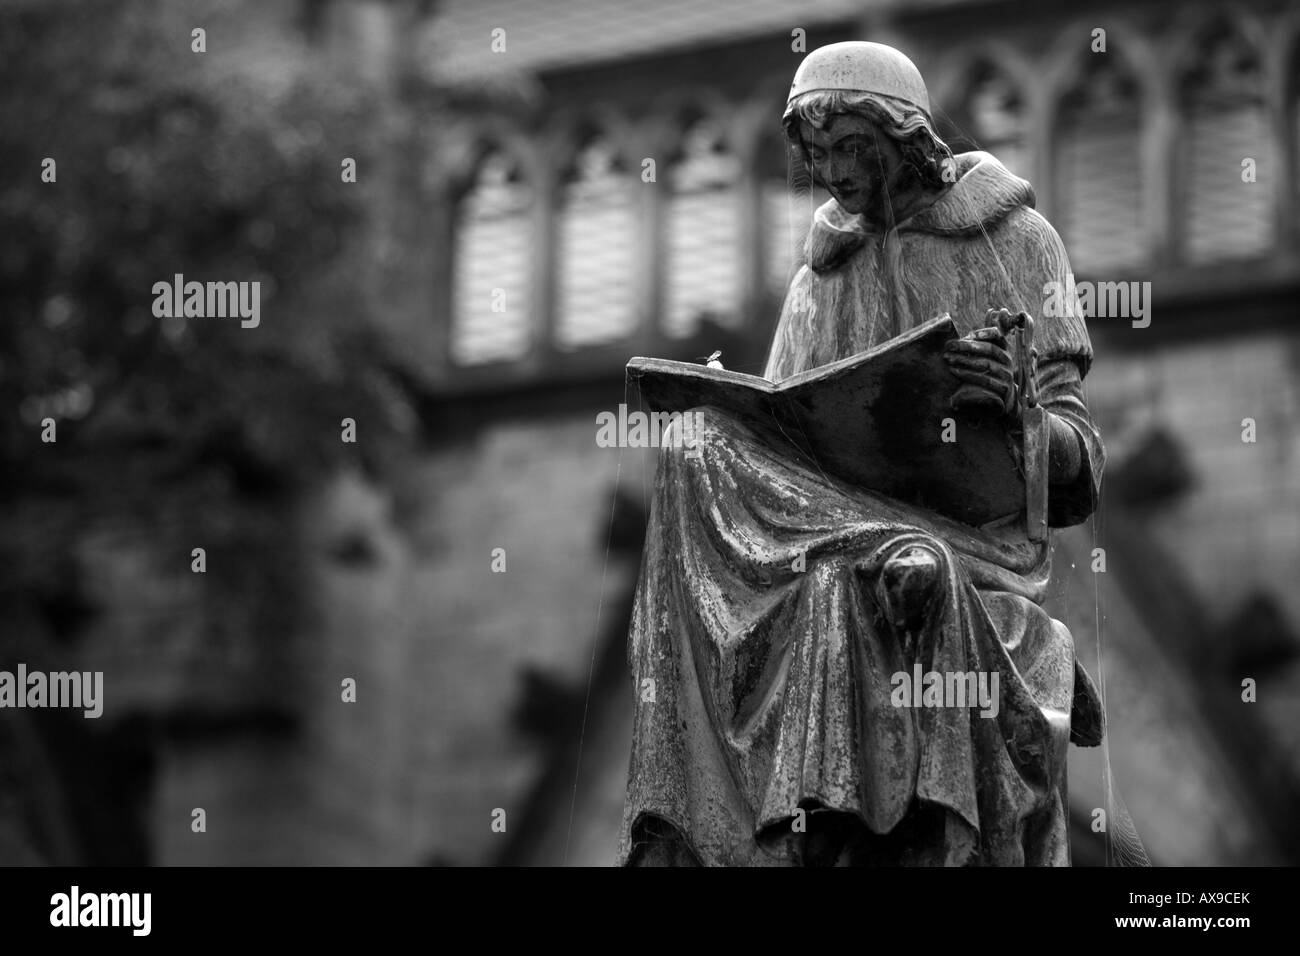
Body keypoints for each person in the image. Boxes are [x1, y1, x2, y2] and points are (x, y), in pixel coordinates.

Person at [619, 41, 1104, 866]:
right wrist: (732, 409)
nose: (834, 171)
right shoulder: (821, 277)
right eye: (820, 151)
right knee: (697, 446)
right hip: (825, 530)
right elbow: (787, 427)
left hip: (969, 546)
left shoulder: (1017, 242)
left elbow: (1081, 470)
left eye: (853, 147)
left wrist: (1019, 413)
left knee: (890, 576)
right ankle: (676, 818)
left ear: (905, 140)